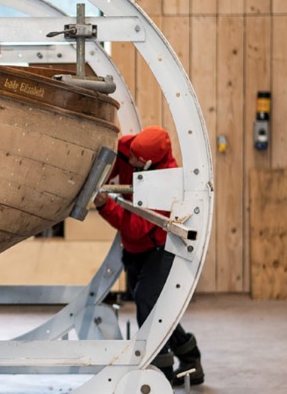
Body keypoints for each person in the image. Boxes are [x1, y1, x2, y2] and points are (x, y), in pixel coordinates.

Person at [93, 125, 205, 386]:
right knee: (155, 308)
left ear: (149, 163)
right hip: (133, 249)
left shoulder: (168, 181)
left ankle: (160, 371)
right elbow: (112, 163)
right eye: (131, 153)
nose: (130, 159)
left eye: (136, 159)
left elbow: (136, 226)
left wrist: (104, 205)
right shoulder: (128, 148)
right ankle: (190, 358)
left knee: (147, 301)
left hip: (158, 249)